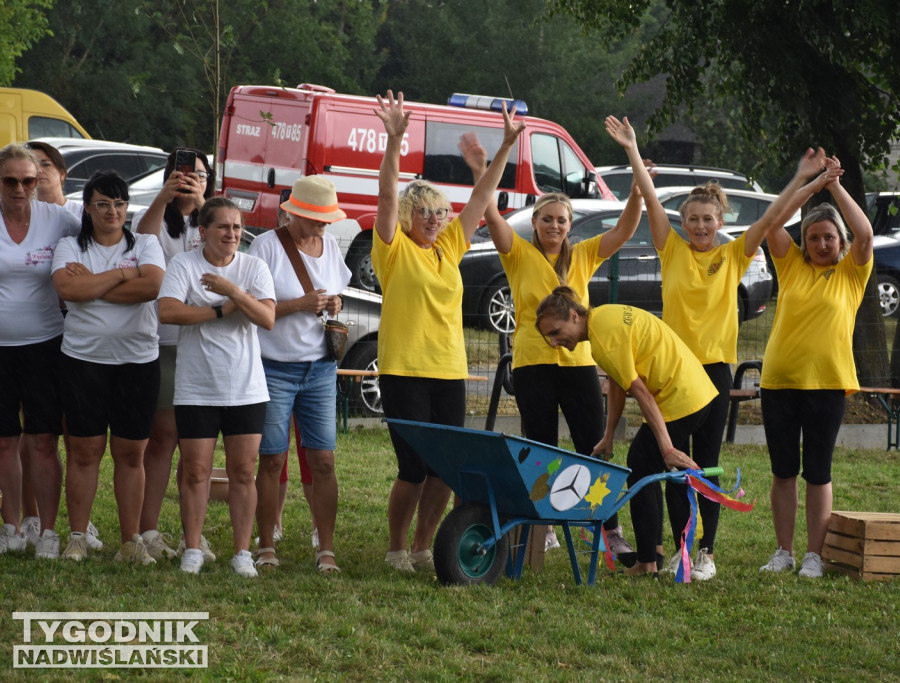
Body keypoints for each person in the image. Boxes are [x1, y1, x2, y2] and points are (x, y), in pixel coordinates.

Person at [606, 115, 838, 579]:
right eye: (691, 219)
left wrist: (803, 179)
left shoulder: (734, 254)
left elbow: (774, 217)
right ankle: (678, 548)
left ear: (720, 220)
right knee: (672, 461)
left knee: (704, 462)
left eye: (707, 219)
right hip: (672, 373)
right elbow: (650, 200)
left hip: (713, 373)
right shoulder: (670, 249)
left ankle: (705, 552)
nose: (699, 226)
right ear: (683, 222)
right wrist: (632, 149)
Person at [460, 130, 642, 556]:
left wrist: (636, 192)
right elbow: (490, 215)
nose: (554, 226)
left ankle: (605, 527)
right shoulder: (518, 253)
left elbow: (625, 229)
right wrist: (479, 170)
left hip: (579, 365)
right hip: (532, 365)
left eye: (561, 220)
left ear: (569, 224)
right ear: (536, 222)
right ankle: (543, 527)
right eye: (547, 219)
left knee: (592, 443)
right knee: (540, 446)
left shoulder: (584, 254)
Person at [372, 90, 519, 573]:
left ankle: (422, 546)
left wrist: (505, 147)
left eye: (439, 213)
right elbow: (389, 193)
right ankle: (396, 548)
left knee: (445, 469)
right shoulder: (393, 250)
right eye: (426, 213)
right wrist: (395, 141)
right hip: (404, 371)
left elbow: (482, 197)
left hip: (448, 371)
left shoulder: (448, 246)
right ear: (411, 218)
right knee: (413, 467)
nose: (435, 220)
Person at [535, 287, 717, 576]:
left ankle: (647, 563)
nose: (556, 342)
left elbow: (641, 392)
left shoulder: (602, 340)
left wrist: (667, 447)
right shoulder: (603, 318)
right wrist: (608, 436)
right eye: (550, 338)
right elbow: (619, 383)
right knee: (644, 466)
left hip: (682, 396)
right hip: (694, 389)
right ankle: (652, 556)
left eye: (556, 332)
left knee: (640, 466)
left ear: (573, 315)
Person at [757, 158, 871, 579]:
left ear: (839, 242)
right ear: (804, 242)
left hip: (828, 385)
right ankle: (783, 551)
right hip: (779, 383)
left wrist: (836, 188)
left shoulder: (851, 274)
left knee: (817, 472)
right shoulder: (791, 266)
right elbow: (773, 222)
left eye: (828, 237)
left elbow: (865, 233)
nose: (822, 244)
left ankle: (814, 556)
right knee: (783, 470)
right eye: (814, 237)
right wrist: (808, 183)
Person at [51, 171, 165, 564]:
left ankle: (131, 542)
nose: (112, 211)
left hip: (138, 362)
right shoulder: (69, 245)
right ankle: (78, 537)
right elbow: (68, 290)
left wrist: (95, 287)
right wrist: (121, 274)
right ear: (87, 207)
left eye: (119, 203)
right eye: (102, 203)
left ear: (127, 207)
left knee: (131, 453)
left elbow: (150, 288)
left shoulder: (147, 243)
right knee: (84, 451)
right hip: (83, 360)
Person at [157, 197, 275, 576]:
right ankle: (192, 547)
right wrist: (223, 309)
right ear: (202, 232)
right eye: (223, 227)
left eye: (237, 227)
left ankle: (242, 553)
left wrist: (234, 290)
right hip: (196, 387)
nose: (232, 234)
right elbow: (169, 311)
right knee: (195, 471)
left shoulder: (253, 266)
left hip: (245, 387)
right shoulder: (183, 265)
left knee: (244, 471)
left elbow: (267, 318)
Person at [248, 174, 350, 574]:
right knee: (272, 460)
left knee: (323, 460)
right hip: (274, 367)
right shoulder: (266, 246)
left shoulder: (328, 247)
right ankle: (266, 544)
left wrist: (334, 303)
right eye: (316, 218)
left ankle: (326, 549)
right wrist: (301, 304)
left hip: (320, 368)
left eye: (327, 219)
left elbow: (338, 288)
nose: (322, 226)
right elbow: (256, 308)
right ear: (296, 212)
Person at [134, 148, 215, 562]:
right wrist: (164, 197)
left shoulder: (213, 218)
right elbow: (142, 239)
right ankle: (147, 529)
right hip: (162, 340)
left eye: (199, 174)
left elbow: (224, 245)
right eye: (183, 173)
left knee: (197, 444)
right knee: (163, 436)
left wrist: (203, 204)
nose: (190, 179)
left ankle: (192, 535)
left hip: (204, 342)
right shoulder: (158, 218)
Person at [0, 144, 79, 559]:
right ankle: (11, 527)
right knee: (4, 441)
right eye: (10, 180)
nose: (20, 188)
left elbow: (100, 241)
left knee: (44, 439)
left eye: (28, 180)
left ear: (38, 181)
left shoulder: (58, 219)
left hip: (46, 344)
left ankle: (48, 530)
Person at [25, 140, 85, 219]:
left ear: (62, 173)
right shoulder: (20, 214)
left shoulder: (81, 213)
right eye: (31, 165)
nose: (38, 170)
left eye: (46, 164)